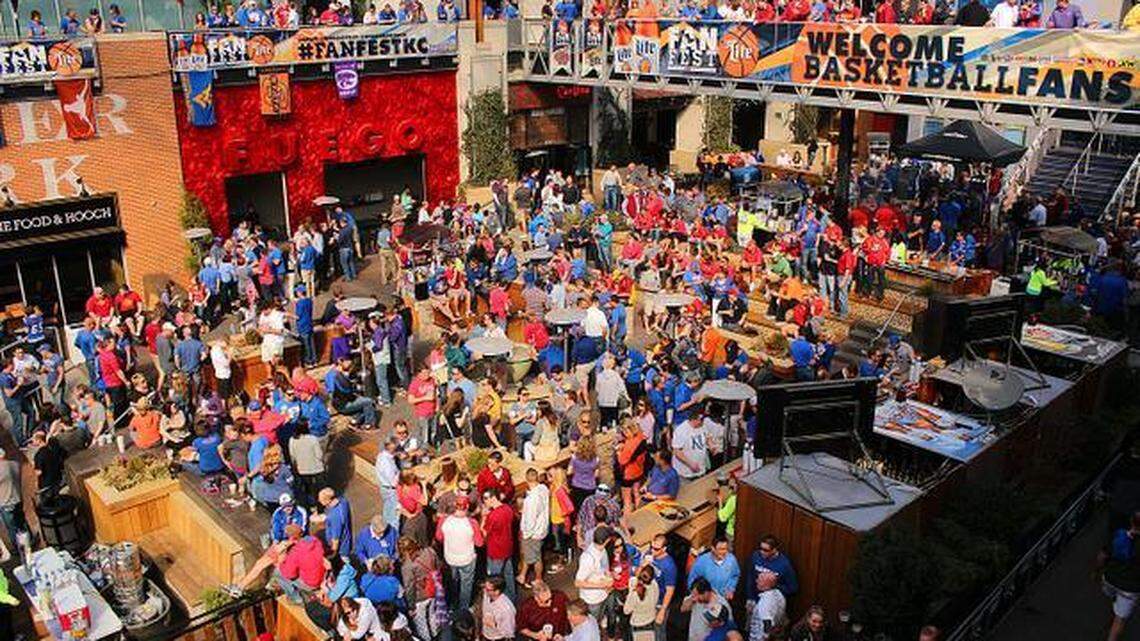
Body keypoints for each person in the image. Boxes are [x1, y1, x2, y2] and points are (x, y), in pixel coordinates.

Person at [436, 495, 482, 611]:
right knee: (466, 584)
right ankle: (463, 609)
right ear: (467, 507)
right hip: (467, 558)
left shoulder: (444, 520)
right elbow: (479, 543)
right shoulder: (472, 523)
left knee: (453, 582)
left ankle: (452, 605)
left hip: (450, 557)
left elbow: (439, 537)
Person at [1102, 511, 1140, 641]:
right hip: (1129, 588)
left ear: (1131, 521)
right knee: (1120, 621)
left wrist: (1096, 571)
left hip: (1109, 579)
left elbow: (1103, 554)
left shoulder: (1119, 535)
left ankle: (1115, 608)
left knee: (1113, 598)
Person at [482, 488, 518, 600]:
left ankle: (495, 602)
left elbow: (484, 533)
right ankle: (512, 599)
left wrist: (483, 517)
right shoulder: (508, 509)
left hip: (496, 551)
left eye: (485, 499)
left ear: (492, 498)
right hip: (507, 547)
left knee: (494, 580)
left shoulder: (492, 516)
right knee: (509, 575)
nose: (484, 502)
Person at [520, 468, 551, 587]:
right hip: (542, 528)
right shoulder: (543, 489)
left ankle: (538, 579)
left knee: (536, 557)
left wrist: (526, 533)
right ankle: (522, 575)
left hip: (533, 532)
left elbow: (530, 520)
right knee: (531, 554)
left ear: (526, 479)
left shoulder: (531, 500)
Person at [746, 536, 799, 603]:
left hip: (772, 600)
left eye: (766, 550)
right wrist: (750, 598)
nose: (762, 552)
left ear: (774, 549)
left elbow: (793, 588)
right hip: (754, 599)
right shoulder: (756, 556)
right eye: (760, 548)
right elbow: (750, 578)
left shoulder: (784, 565)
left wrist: (774, 586)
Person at [575, 526, 613, 620]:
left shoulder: (601, 550)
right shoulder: (588, 558)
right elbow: (578, 582)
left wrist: (608, 576)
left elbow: (604, 567)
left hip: (603, 594)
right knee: (593, 621)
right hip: (592, 599)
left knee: (600, 617)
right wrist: (602, 585)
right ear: (607, 540)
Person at [688, 536, 740, 601]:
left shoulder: (731, 559)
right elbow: (692, 581)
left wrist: (730, 589)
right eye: (721, 549)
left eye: (726, 549)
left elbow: (735, 576)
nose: (724, 552)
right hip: (705, 601)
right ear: (713, 548)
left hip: (723, 600)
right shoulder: (702, 560)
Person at [681, 577, 732, 641]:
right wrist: (691, 599)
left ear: (706, 592)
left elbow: (729, 629)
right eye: (694, 595)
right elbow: (683, 609)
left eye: (698, 595)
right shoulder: (694, 598)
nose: (696, 598)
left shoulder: (722, 605)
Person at [749, 571, 787, 641]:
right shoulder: (779, 594)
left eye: (759, 580)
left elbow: (767, 622)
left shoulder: (765, 602)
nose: (756, 581)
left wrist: (766, 637)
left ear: (767, 585)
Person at [0, 449, 26, 546]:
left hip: (5, 502)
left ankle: (19, 547)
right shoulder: (15, 464)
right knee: (22, 523)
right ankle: (28, 542)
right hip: (18, 498)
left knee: (12, 528)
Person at [319, 487, 353, 559]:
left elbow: (336, 540)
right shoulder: (343, 501)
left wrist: (332, 555)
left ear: (327, 500)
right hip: (347, 540)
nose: (319, 500)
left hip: (341, 550)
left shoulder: (335, 516)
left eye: (321, 499)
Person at [482, 575, 517, 641]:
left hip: (497, 638)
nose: (484, 590)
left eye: (488, 589)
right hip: (486, 633)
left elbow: (509, 633)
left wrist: (494, 624)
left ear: (497, 591)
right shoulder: (487, 595)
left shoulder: (506, 609)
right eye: (484, 587)